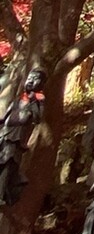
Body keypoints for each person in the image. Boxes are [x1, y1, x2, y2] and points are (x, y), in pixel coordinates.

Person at [0, 69, 46, 206]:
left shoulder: (38, 100)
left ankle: (1, 193)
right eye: (30, 77)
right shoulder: (17, 100)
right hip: (4, 134)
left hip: (16, 139)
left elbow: (38, 118)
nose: (31, 80)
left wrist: (33, 101)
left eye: (35, 78)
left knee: (8, 165)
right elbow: (4, 118)